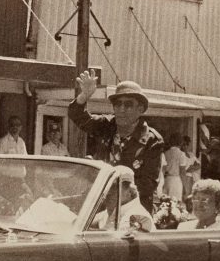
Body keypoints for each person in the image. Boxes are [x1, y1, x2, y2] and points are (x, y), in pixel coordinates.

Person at [70, 72, 164, 212]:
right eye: (117, 104)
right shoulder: (106, 125)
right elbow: (77, 115)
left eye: (128, 105)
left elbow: (147, 185)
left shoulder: (152, 140)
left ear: (141, 109)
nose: (121, 109)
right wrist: (85, 95)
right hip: (101, 205)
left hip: (133, 209)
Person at [162, 132, 190, 200]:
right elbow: (182, 172)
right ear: (180, 142)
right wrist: (186, 187)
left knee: (166, 202)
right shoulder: (181, 154)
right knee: (175, 202)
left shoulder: (165, 153)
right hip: (176, 180)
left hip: (166, 180)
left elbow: (163, 169)